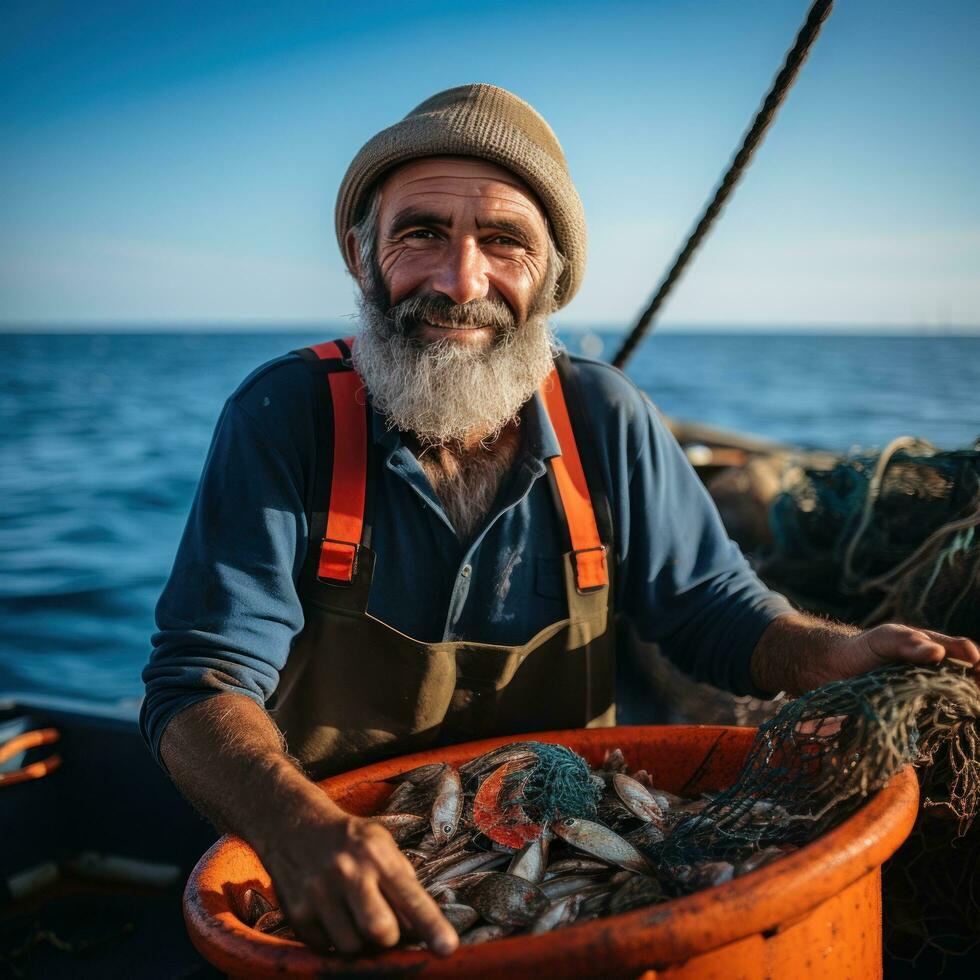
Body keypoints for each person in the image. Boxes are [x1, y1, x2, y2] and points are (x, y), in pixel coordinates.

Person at [141, 84, 979, 957]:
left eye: (504, 242)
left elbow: (709, 606)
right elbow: (198, 686)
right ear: (362, 257)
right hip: (347, 884)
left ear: (551, 281)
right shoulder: (285, 417)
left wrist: (833, 654)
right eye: (421, 231)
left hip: (574, 857)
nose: (461, 281)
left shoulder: (605, 417)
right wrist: (298, 829)